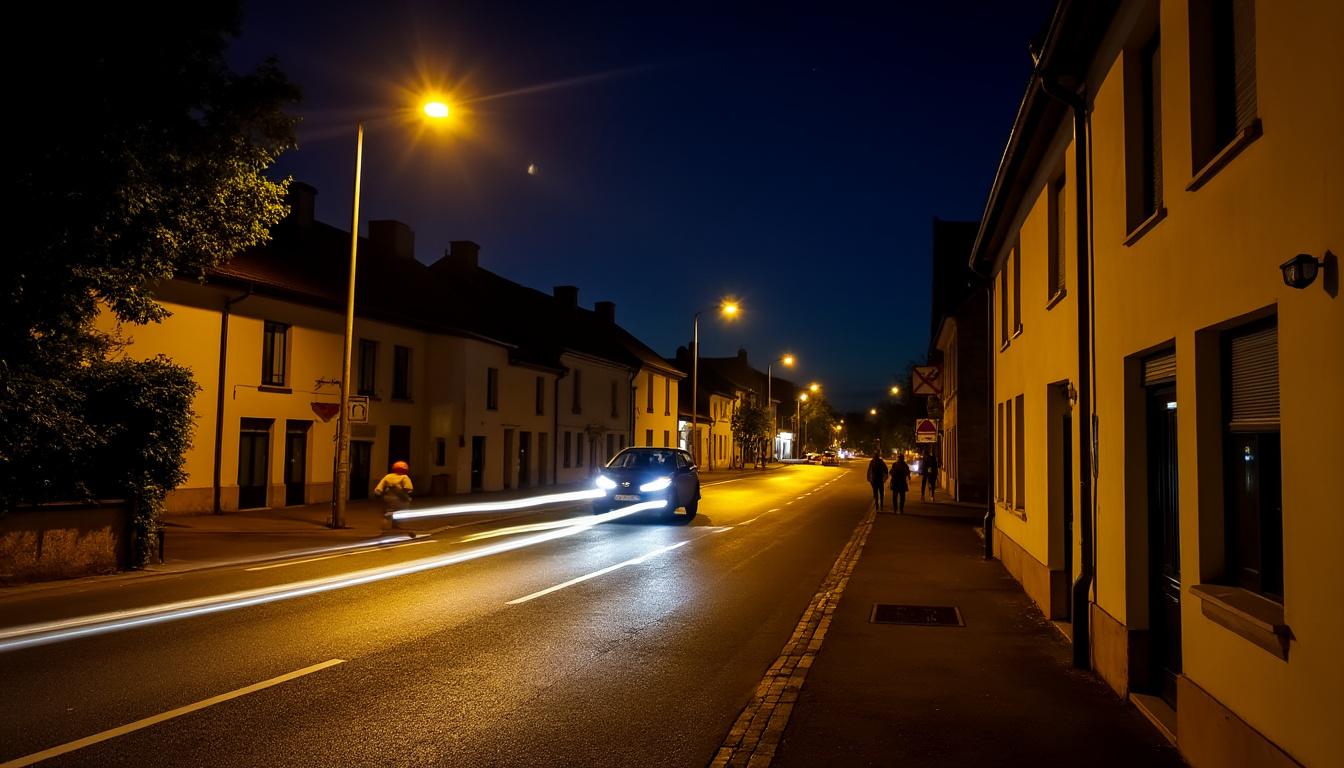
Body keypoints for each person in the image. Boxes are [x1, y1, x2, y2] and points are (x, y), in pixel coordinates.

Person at [374, 460, 414, 528]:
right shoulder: (404, 477)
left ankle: (385, 524)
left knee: (387, 512)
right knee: (399, 512)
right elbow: (408, 488)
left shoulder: (388, 476)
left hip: (388, 497)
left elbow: (379, 487)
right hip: (400, 498)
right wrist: (406, 493)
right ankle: (396, 525)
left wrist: (378, 492)